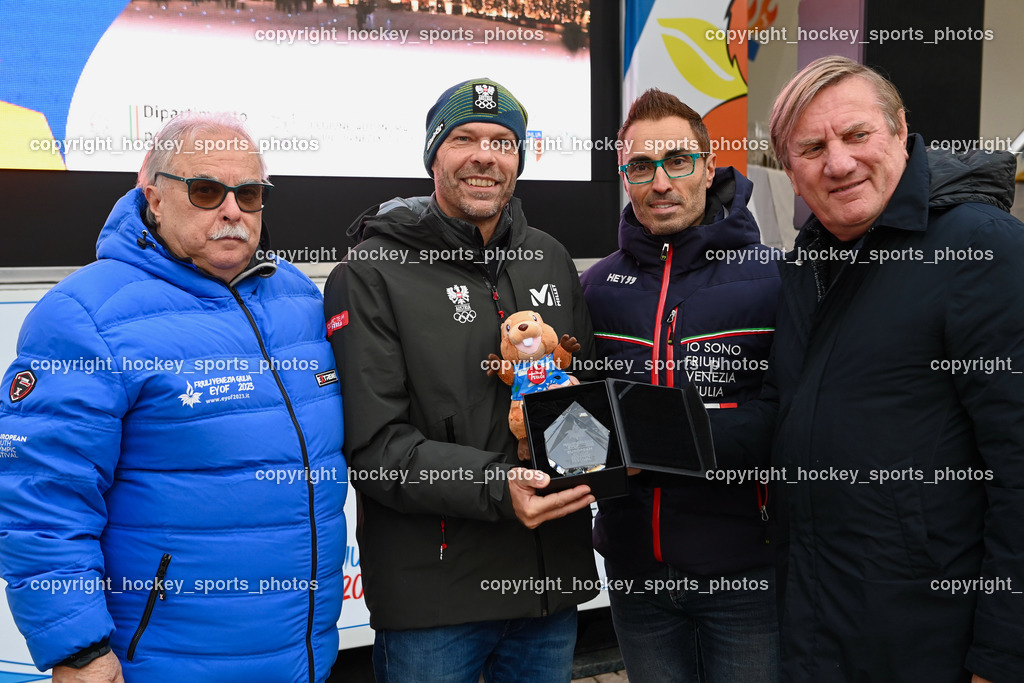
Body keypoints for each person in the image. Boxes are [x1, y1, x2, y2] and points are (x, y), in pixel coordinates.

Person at [0, 112, 346, 682]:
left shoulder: (299, 300)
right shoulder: (85, 315)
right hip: (164, 663)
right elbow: (42, 499)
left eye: (249, 193)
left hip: (302, 658)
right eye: (206, 191)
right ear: (154, 197)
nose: (232, 210)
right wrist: (79, 650)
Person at [713, 55, 1024, 682]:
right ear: (790, 171)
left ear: (901, 131)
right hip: (819, 623)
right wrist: (640, 432)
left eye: (857, 134)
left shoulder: (981, 248)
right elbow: (783, 413)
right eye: (812, 148)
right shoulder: (809, 263)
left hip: (930, 639)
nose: (839, 163)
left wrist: (1002, 657)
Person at [324, 77, 599, 682]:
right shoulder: (371, 272)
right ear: (433, 154)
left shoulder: (550, 256)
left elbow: (582, 398)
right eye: (464, 138)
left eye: (503, 142)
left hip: (547, 591)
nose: (484, 156)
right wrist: (501, 487)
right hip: (437, 605)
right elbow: (375, 447)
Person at [579, 88, 780, 683]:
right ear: (625, 177)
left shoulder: (773, 278)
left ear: (709, 167)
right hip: (635, 573)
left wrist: (658, 441)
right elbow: (577, 415)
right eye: (641, 166)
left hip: (744, 573)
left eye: (677, 161)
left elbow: (789, 415)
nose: (661, 182)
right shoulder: (596, 288)